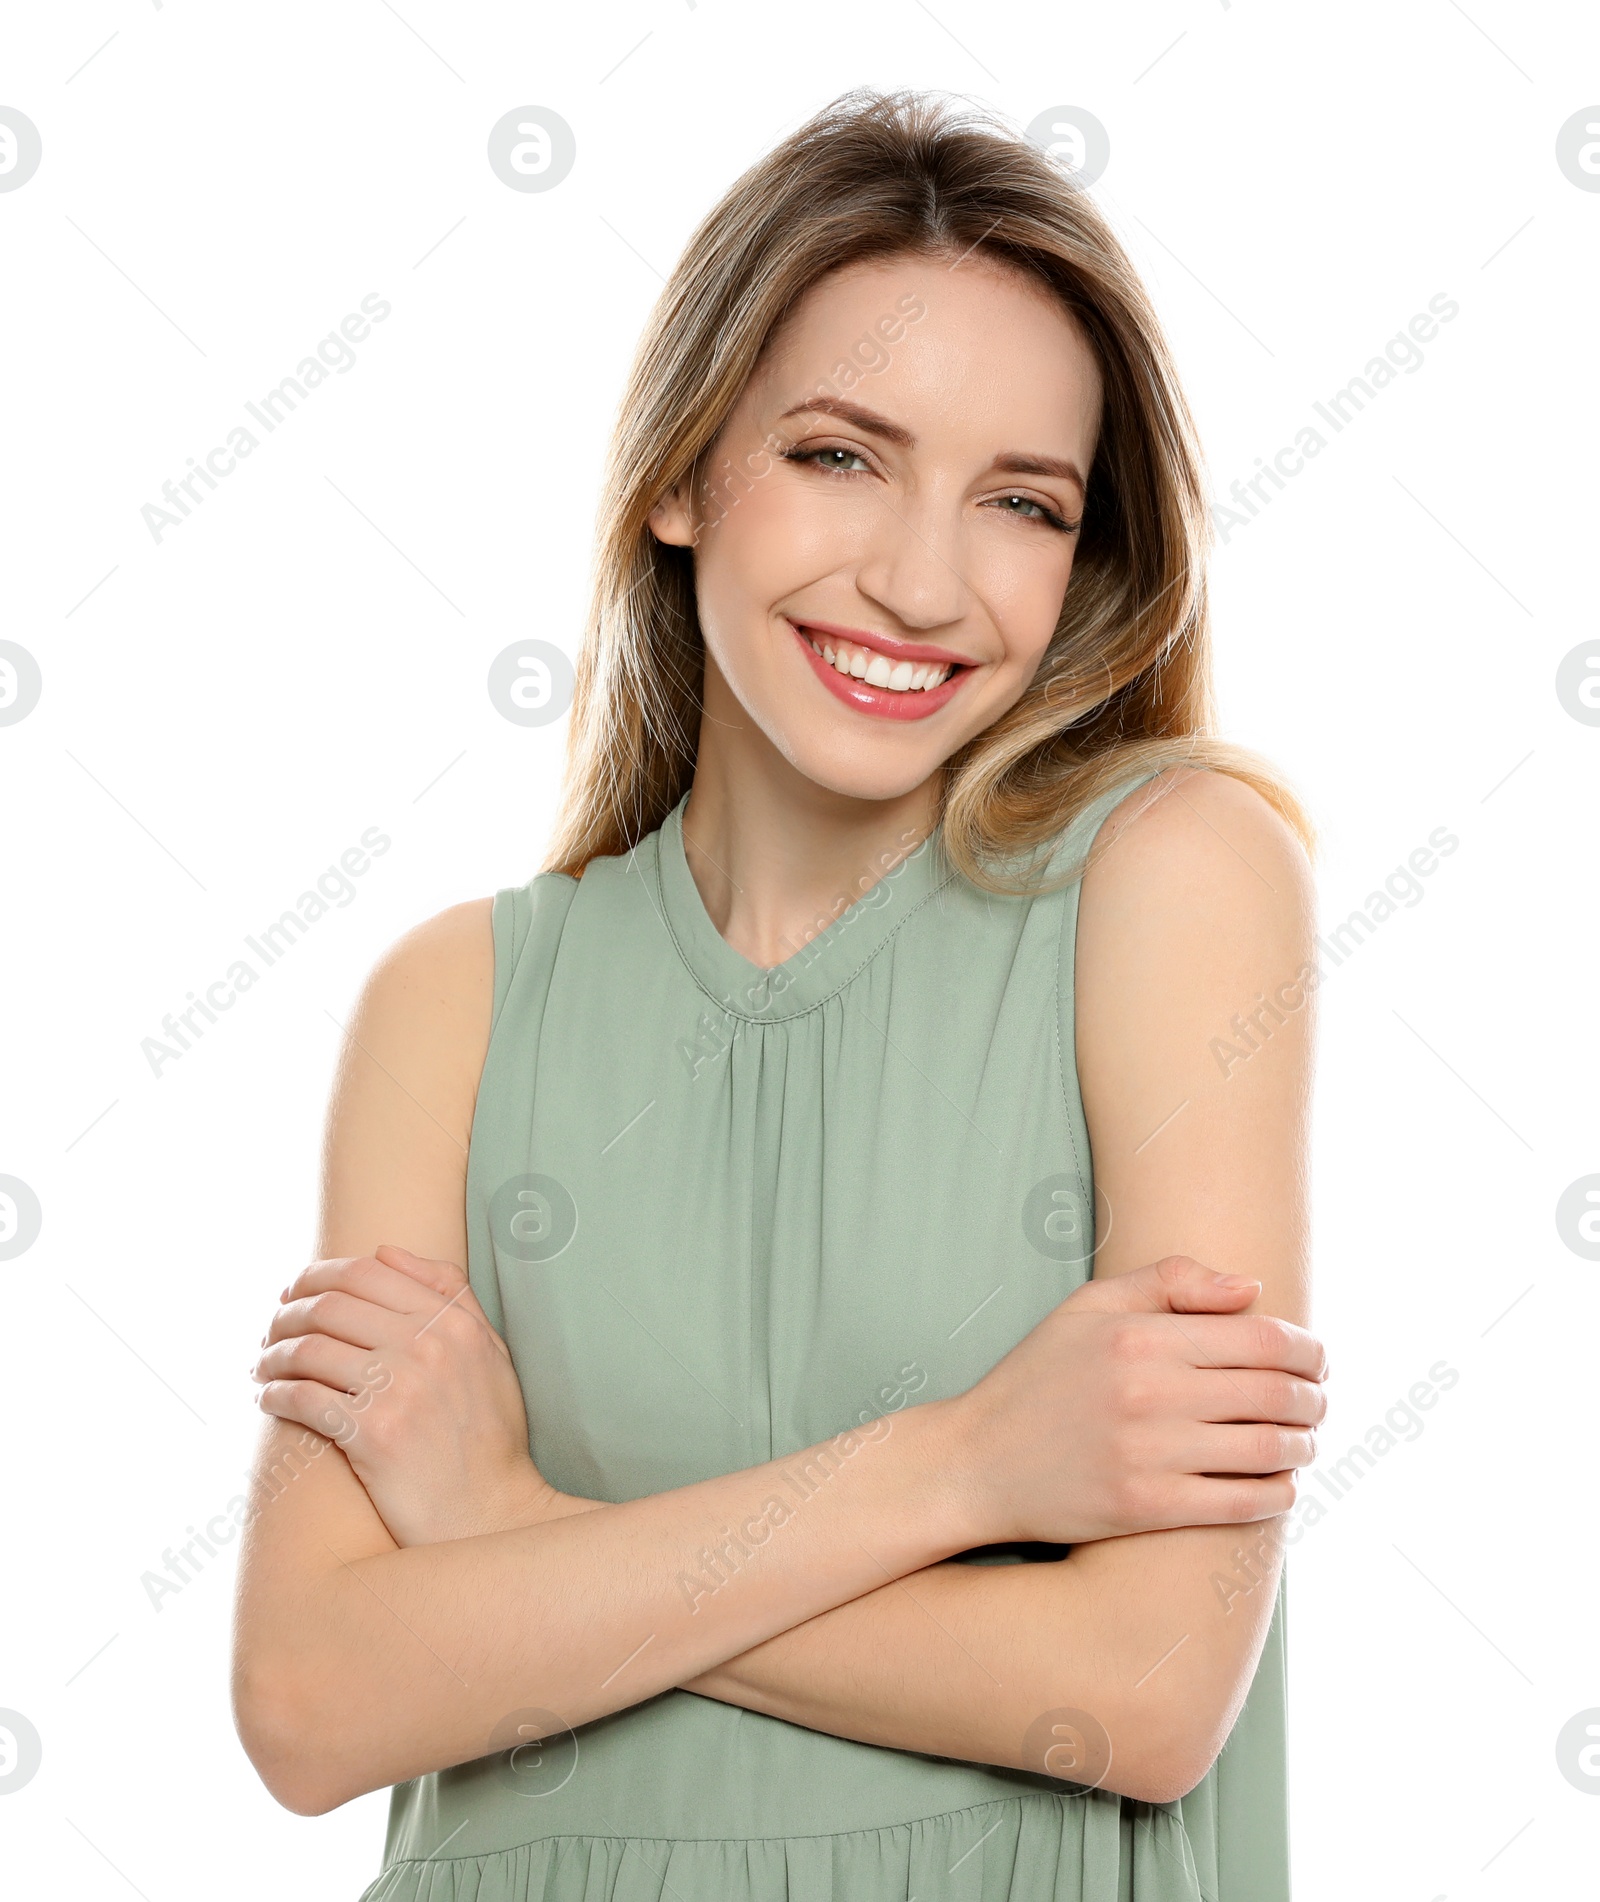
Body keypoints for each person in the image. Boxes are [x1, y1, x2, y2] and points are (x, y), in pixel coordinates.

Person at [232, 88, 1328, 1902]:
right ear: (680, 474)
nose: (920, 577)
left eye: (1021, 501)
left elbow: (1141, 1691)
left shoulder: (1176, 873)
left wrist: (512, 1538)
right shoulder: (459, 1002)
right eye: (839, 454)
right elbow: (310, 1699)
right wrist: (969, 1467)